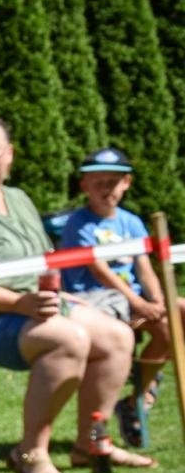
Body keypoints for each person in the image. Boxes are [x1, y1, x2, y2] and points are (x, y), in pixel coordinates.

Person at [0, 116, 147, 473]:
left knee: (118, 336)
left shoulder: (19, 199)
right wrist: (19, 304)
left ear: (10, 155)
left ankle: (90, 444)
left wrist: (60, 297)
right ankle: (30, 454)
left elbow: (42, 260)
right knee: (66, 339)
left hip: (29, 309)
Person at [58, 145, 182, 448]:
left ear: (126, 184)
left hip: (132, 304)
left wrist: (158, 300)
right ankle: (138, 389)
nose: (105, 189)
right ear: (84, 185)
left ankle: (139, 394)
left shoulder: (131, 222)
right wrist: (140, 304)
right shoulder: (79, 224)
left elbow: (144, 267)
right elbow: (100, 271)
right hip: (99, 304)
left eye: (112, 182)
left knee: (177, 315)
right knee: (161, 323)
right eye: (98, 182)